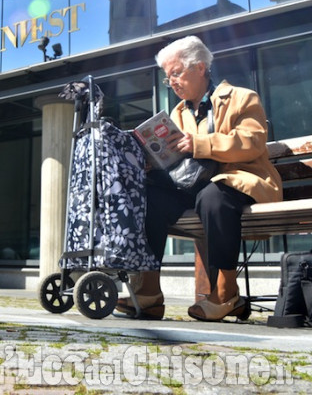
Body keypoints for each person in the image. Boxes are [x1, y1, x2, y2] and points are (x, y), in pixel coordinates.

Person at [116, 36, 281, 322]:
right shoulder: (177, 113)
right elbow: (179, 163)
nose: (173, 82)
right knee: (146, 197)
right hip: (193, 186)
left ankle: (226, 293)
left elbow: (253, 141)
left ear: (201, 67)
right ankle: (148, 293)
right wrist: (150, 162)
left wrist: (199, 143)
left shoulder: (242, 97)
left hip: (240, 178)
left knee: (214, 197)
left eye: (176, 73)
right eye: (168, 78)